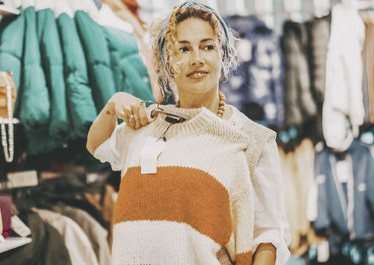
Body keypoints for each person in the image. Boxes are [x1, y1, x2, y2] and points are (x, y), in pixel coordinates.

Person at [86, 1, 290, 264]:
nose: (196, 59)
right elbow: (97, 145)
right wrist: (113, 105)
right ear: (165, 62)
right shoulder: (147, 127)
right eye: (183, 49)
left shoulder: (251, 140)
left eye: (208, 46)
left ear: (223, 55)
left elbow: (267, 236)